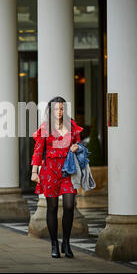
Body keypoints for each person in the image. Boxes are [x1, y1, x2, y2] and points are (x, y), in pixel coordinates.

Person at [30, 96, 83, 258]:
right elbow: (38, 150)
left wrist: (76, 147)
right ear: (51, 110)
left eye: (61, 108)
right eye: (56, 109)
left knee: (69, 206)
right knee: (51, 207)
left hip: (67, 169)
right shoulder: (45, 127)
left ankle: (66, 242)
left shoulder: (72, 126)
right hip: (50, 170)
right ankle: (54, 244)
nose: (59, 112)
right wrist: (34, 171)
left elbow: (79, 145)